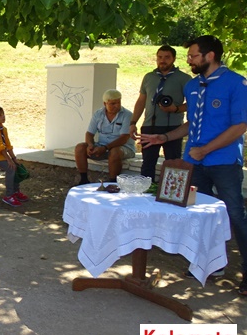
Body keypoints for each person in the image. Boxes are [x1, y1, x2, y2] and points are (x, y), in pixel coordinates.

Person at [141, 35, 247, 297]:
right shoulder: (192, 86)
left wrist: (207, 149)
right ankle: (209, 264)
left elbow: (241, 126)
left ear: (210, 56)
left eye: (192, 56)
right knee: (198, 214)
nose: (188, 60)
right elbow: (191, 124)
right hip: (194, 162)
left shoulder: (237, 84)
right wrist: (164, 137)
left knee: (234, 213)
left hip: (223, 162)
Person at [129, 46, 192, 181]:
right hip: (149, 126)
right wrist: (133, 122)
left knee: (173, 165)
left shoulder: (184, 78)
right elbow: (141, 101)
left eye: (167, 57)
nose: (163, 61)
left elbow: (192, 103)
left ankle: (171, 196)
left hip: (173, 128)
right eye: (160, 57)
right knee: (147, 165)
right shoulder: (149, 77)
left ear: (174, 59)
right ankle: (145, 195)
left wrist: (175, 109)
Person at [74, 89, 135, 185]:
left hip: (123, 148)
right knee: (80, 147)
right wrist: (90, 145)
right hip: (102, 146)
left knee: (115, 152)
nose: (117, 106)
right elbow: (89, 133)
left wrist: (105, 148)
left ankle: (113, 183)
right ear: (105, 103)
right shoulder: (98, 114)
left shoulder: (127, 115)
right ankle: (83, 180)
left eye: (118, 102)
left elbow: (124, 138)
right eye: (113, 104)